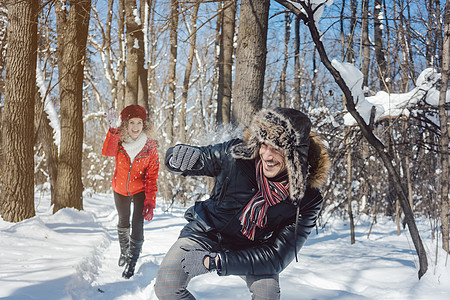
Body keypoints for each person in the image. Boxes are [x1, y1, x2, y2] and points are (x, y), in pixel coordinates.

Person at [154, 107, 331, 299]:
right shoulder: (236, 155)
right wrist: (176, 158)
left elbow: (277, 256)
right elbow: (201, 158)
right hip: (206, 232)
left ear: (296, 153)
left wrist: (214, 261)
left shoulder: (307, 199)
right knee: (167, 285)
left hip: (254, 248)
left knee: (268, 295)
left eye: (277, 148)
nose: (267, 155)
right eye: (264, 144)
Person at [102, 104, 159, 279]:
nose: (135, 127)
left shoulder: (150, 147)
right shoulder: (118, 142)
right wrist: (112, 131)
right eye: (132, 122)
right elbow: (107, 152)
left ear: (144, 125)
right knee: (123, 221)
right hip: (120, 188)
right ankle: (124, 252)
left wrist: (150, 201)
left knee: (138, 223)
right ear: (126, 124)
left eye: (139, 123)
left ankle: (132, 261)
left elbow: (152, 177)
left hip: (140, 190)